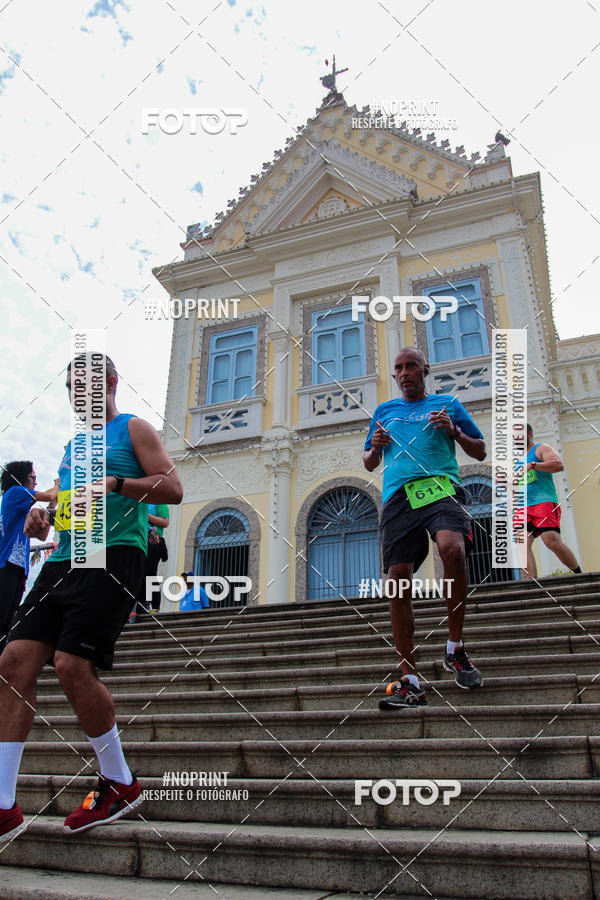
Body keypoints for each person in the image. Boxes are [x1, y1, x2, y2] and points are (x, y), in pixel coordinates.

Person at [0, 354, 183, 843]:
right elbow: (66, 498)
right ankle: (2, 806)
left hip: (114, 553)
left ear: (110, 383)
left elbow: (173, 487)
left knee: (70, 665)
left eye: (84, 384)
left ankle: (120, 781)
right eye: (69, 388)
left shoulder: (133, 428)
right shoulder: (74, 445)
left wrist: (118, 483)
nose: (76, 395)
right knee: (13, 661)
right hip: (64, 557)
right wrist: (42, 517)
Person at [363, 347, 487, 710]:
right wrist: (375, 447)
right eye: (398, 368)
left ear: (425, 370)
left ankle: (455, 648)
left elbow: (479, 450)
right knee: (397, 579)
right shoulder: (384, 412)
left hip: (441, 487)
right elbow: (369, 462)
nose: (404, 373)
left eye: (410, 366)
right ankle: (410, 680)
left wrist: (454, 432)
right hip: (398, 497)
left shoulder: (449, 403)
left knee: (452, 548)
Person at [0, 463, 58, 653]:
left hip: (18, 569)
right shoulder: (15, 492)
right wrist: (60, 484)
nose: (35, 482)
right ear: (21, 477)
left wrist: (53, 504)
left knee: (7, 623)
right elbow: (49, 494)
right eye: (33, 477)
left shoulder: (21, 509)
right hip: (5, 566)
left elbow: (42, 535)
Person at [522, 423, 581, 578]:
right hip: (524, 506)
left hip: (544, 502)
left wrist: (533, 465)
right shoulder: (517, 459)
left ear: (529, 434)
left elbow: (558, 465)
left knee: (551, 541)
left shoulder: (541, 448)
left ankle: (578, 573)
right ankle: (532, 586)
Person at [130, 503, 170, 621]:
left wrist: (146, 515)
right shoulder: (138, 501)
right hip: (138, 539)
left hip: (153, 536)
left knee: (150, 574)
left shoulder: (159, 503)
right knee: (138, 575)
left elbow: (165, 522)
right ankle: (140, 607)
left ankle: (155, 607)